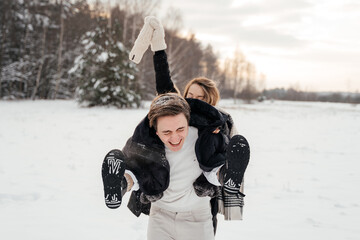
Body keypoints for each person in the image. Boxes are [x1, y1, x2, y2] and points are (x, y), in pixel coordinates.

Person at [129, 16, 246, 227]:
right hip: (170, 192)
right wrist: (158, 46)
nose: (192, 99)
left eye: (199, 97)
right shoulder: (178, 112)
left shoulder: (221, 121)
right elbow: (164, 80)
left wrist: (232, 202)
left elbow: (234, 158)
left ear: (210, 99)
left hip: (202, 195)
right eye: (189, 94)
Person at [102, 92, 250, 240]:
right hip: (160, 215)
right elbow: (139, 173)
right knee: (133, 172)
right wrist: (126, 179)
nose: (175, 138)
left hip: (197, 216)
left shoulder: (206, 136)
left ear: (189, 121)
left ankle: (227, 176)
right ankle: (121, 184)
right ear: (156, 130)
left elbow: (211, 170)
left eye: (180, 129)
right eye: (166, 132)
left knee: (215, 170)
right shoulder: (145, 142)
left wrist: (224, 173)